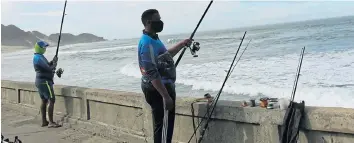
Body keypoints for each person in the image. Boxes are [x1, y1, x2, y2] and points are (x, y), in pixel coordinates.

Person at [138, 9, 192, 143]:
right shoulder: (147, 43)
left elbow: (164, 57)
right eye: (158, 19)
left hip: (162, 89)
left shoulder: (153, 39)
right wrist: (166, 96)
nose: (161, 22)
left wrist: (181, 44)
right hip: (159, 91)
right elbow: (151, 72)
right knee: (163, 129)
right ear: (149, 22)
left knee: (164, 128)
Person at [33, 41, 61, 128]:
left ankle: (44, 121)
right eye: (44, 47)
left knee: (44, 100)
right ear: (39, 48)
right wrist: (54, 64)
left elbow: (47, 65)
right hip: (44, 82)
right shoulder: (38, 58)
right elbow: (49, 69)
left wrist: (53, 61)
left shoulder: (39, 57)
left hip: (40, 81)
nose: (45, 49)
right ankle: (51, 122)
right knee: (51, 99)